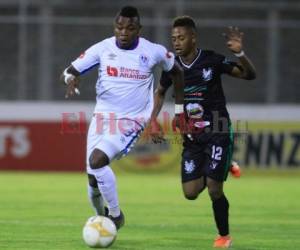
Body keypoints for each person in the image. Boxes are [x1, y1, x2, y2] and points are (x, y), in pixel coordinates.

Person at [60, 6, 184, 230]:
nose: (124, 32)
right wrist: (71, 79)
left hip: (132, 119)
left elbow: (175, 70)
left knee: (97, 161)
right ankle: (101, 219)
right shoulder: (103, 48)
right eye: (119, 27)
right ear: (114, 27)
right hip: (102, 117)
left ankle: (116, 216)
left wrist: (178, 106)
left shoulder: (152, 51)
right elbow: (69, 71)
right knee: (92, 178)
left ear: (139, 29)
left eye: (130, 28)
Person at [150, 16, 256, 248]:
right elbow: (159, 92)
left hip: (217, 130)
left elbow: (249, 75)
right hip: (191, 136)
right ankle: (225, 164)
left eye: (181, 37)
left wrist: (240, 54)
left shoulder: (212, 60)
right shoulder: (171, 66)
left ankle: (224, 236)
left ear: (193, 38)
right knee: (190, 192)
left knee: (214, 189)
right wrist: (153, 121)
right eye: (173, 38)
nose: (176, 42)